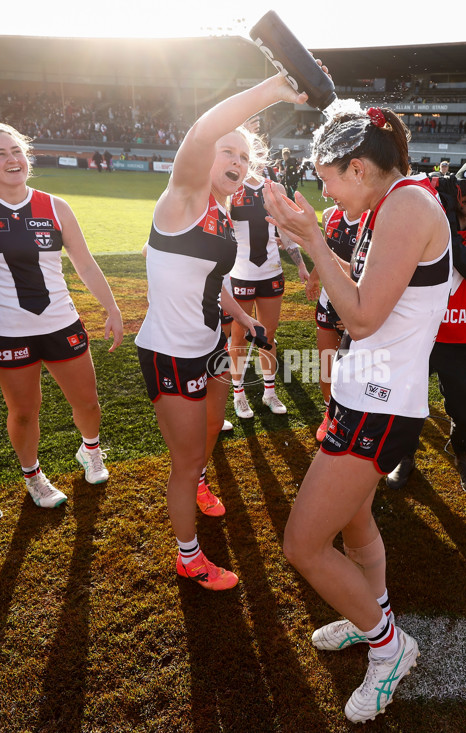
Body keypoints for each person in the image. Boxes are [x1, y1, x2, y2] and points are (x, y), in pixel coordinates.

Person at [263, 103, 452, 723]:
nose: (325, 190)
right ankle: (372, 616)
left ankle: (388, 647)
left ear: (361, 168)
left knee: (302, 544)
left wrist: (314, 238)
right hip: (365, 391)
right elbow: (369, 296)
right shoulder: (389, 203)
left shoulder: (409, 205)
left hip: (383, 403)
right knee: (354, 526)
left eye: (328, 178)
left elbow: (363, 317)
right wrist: (309, 240)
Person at [134, 74, 308, 592]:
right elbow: (201, 130)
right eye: (227, 151)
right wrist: (273, 90)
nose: (238, 162)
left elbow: (217, 285)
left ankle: (201, 482)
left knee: (212, 431)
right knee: (184, 460)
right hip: (170, 353)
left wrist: (247, 319)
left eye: (244, 157)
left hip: (210, 346)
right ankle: (189, 557)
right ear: (206, 157)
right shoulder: (182, 199)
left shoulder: (219, 212)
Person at [0, 123, 123, 508]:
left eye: (16, 151)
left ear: (27, 157)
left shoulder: (55, 206)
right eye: (0, 155)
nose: (11, 160)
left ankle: (91, 451)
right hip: (10, 333)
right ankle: (34, 477)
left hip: (61, 324)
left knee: (88, 403)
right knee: (23, 412)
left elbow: (84, 264)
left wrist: (113, 308)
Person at [387, 161, 466, 496]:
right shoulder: (428, 224)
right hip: (420, 332)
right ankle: (404, 455)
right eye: (465, 189)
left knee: (462, 404)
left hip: (461, 338)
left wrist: (447, 230)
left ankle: (464, 456)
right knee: (407, 398)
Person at [228, 150, 309, 420]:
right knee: (238, 338)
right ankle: (238, 395)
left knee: (267, 336)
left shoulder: (274, 188)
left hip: (271, 272)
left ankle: (269, 392)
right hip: (240, 272)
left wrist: (299, 264)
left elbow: (284, 231)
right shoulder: (231, 188)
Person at [304, 203, 361, 441]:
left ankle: (356, 416)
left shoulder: (376, 217)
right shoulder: (329, 215)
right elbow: (324, 252)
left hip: (359, 303)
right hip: (328, 300)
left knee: (359, 368)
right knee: (327, 363)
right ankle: (330, 413)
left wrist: (352, 313)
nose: (326, 192)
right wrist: (314, 279)